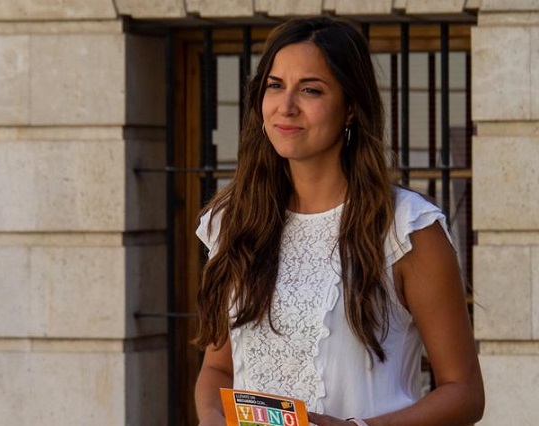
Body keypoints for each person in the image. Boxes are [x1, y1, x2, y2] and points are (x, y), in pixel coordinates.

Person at [193, 16, 484, 426]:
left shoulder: (404, 228)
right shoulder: (236, 221)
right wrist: (212, 420)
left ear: (350, 107)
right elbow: (218, 369)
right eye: (275, 86)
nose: (286, 106)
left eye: (310, 89)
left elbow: (464, 393)